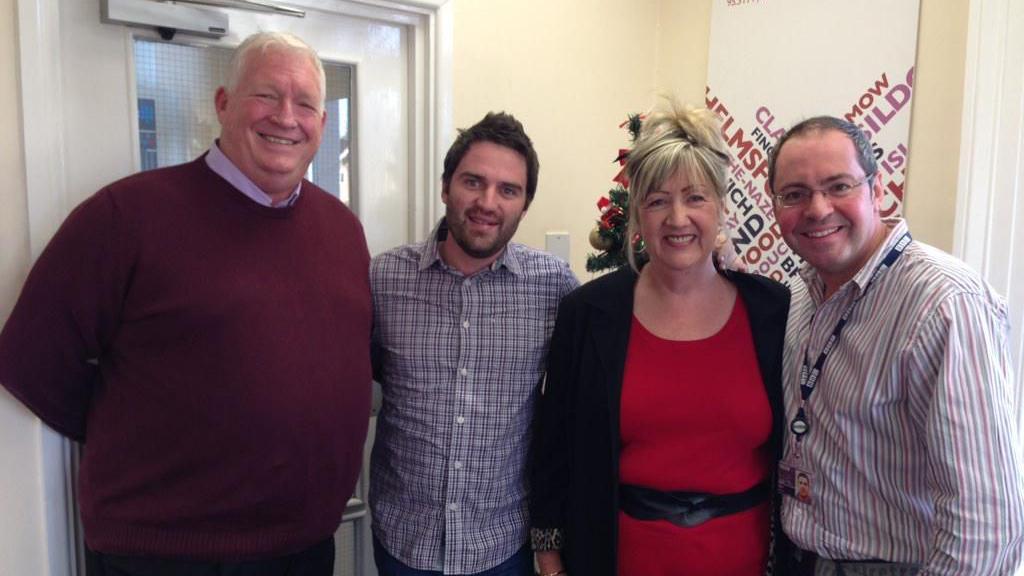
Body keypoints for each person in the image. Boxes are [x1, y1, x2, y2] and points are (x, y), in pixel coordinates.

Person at [0, 32, 372, 576]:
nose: (287, 117)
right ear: (223, 103)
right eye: (267, 95)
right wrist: (157, 437)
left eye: (306, 104)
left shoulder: (341, 229)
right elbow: (33, 362)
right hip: (165, 554)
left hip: (304, 546)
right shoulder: (125, 216)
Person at [529, 101, 790, 576]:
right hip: (616, 557)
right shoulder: (588, 313)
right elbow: (553, 445)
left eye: (695, 197)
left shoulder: (772, 310)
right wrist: (549, 557)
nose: (677, 218)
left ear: (719, 205)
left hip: (747, 559)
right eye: (657, 200)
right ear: (637, 215)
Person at [769, 116, 1024, 575]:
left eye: (838, 186)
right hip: (801, 560)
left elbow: (987, 525)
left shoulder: (944, 303)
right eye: (795, 194)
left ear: (876, 188)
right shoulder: (800, 295)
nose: (817, 208)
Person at [369, 112, 579, 576]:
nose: (488, 202)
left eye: (509, 190)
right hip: (404, 542)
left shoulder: (555, 288)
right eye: (473, 182)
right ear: (446, 187)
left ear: (525, 205)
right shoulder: (383, 279)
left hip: (503, 547)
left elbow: (582, 395)